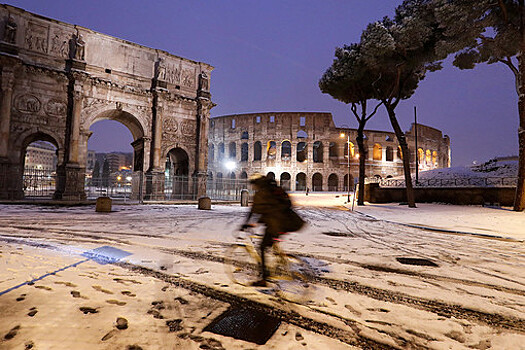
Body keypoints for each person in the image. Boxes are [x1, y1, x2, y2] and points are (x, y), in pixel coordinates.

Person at [240, 174, 305, 286]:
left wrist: (245, 224)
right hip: (287, 221)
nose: (253, 188)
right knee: (271, 241)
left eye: (253, 185)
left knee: (262, 247)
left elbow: (253, 211)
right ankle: (280, 258)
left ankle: (264, 278)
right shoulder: (272, 189)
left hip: (276, 224)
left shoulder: (261, 193)